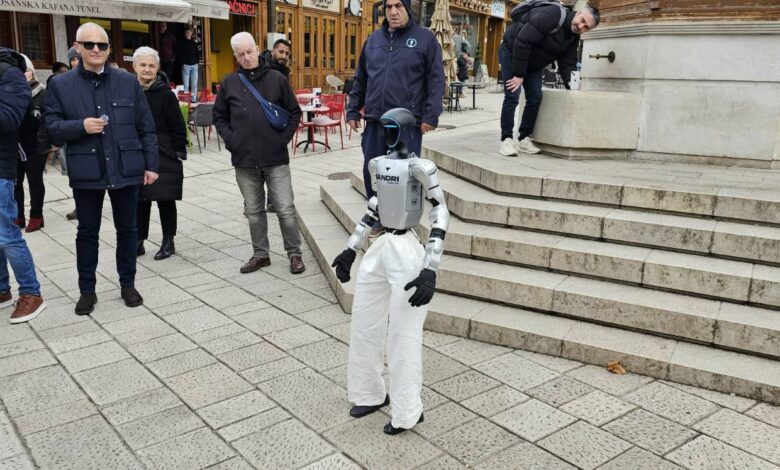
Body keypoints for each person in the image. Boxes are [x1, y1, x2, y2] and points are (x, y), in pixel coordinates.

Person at [331, 108, 449, 435]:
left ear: (408, 131)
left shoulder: (420, 167)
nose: (387, 134)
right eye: (384, 128)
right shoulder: (377, 164)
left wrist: (430, 267)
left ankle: (409, 409)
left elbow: (440, 210)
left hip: (408, 249)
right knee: (365, 322)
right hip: (381, 246)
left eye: (393, 128)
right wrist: (350, 248)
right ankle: (370, 391)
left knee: (403, 333)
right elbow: (374, 207)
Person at [45, 22, 159, 316]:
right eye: (89, 45)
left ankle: (127, 284)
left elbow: (145, 127)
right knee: (87, 232)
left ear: (109, 49)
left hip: (126, 168)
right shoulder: (60, 85)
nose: (96, 50)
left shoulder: (127, 81)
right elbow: (52, 130)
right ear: (77, 47)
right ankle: (87, 290)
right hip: (87, 172)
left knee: (129, 230)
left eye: (102, 45)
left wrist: (151, 165)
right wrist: (80, 126)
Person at [213, 32, 305, 275]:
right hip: (244, 161)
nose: (246, 57)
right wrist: (232, 141)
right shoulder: (229, 82)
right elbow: (219, 116)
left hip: (275, 158)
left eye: (249, 51)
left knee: (285, 209)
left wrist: (282, 140)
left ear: (257, 48)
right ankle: (261, 254)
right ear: (235, 56)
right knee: (254, 212)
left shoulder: (277, 79)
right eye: (240, 54)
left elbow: (295, 113)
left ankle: (294, 254)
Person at [346, 0, 444, 200]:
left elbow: (436, 80)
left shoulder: (425, 39)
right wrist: (353, 109)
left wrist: (431, 115)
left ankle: (399, 223)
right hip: (375, 120)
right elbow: (361, 78)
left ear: (407, 8)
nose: (393, 11)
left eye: (398, 6)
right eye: (388, 7)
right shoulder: (373, 40)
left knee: (402, 175)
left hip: (406, 124)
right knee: (372, 171)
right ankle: (376, 216)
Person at [498, 2, 600, 156]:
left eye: (586, 27)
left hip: (533, 63)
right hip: (513, 51)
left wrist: (573, 84)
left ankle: (524, 137)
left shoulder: (573, 37)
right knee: (512, 94)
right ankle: (506, 140)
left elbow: (568, 64)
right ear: (578, 13)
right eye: (583, 20)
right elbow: (523, 41)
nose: (581, 26)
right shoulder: (553, 15)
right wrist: (519, 74)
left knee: (535, 98)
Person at [0, 47, 47, 323]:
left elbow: (8, 120)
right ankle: (2, 290)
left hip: (2, 167)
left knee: (6, 234)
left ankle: (31, 292)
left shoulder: (10, 74)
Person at [132, 47, 187, 261]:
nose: (147, 69)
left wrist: (178, 152)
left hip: (164, 151)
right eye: (143, 65)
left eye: (151, 65)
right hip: (136, 152)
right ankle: (139, 240)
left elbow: (178, 126)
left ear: (157, 69)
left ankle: (168, 240)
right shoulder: (129, 91)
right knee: (139, 200)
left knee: (165, 199)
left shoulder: (165, 94)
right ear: (135, 67)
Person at [15, 54, 51, 233]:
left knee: (34, 181)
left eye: (27, 71)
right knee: (15, 182)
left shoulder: (43, 93)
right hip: (14, 146)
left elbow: (49, 121)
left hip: (37, 146)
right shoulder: (11, 94)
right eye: (20, 72)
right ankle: (18, 216)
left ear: (33, 73)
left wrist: (47, 142)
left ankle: (37, 215)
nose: (24, 75)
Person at [259, 37, 292, 213]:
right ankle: (253, 202)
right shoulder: (261, 67)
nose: (284, 55)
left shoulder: (284, 72)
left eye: (287, 53)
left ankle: (272, 201)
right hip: (258, 124)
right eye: (281, 51)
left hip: (276, 125)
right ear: (272, 51)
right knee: (256, 166)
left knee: (275, 166)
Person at [64, 45, 80, 222]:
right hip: (72, 133)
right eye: (72, 60)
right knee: (74, 173)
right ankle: (80, 205)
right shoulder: (65, 81)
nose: (75, 62)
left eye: (77, 59)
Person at [180, 25, 199, 100]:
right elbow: (179, 54)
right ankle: (186, 101)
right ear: (185, 33)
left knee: (194, 85)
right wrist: (183, 63)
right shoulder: (182, 42)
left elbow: (197, 53)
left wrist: (197, 62)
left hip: (194, 65)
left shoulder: (194, 42)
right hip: (186, 66)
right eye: (186, 32)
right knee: (186, 85)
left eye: (189, 32)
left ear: (191, 32)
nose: (188, 33)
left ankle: (193, 99)